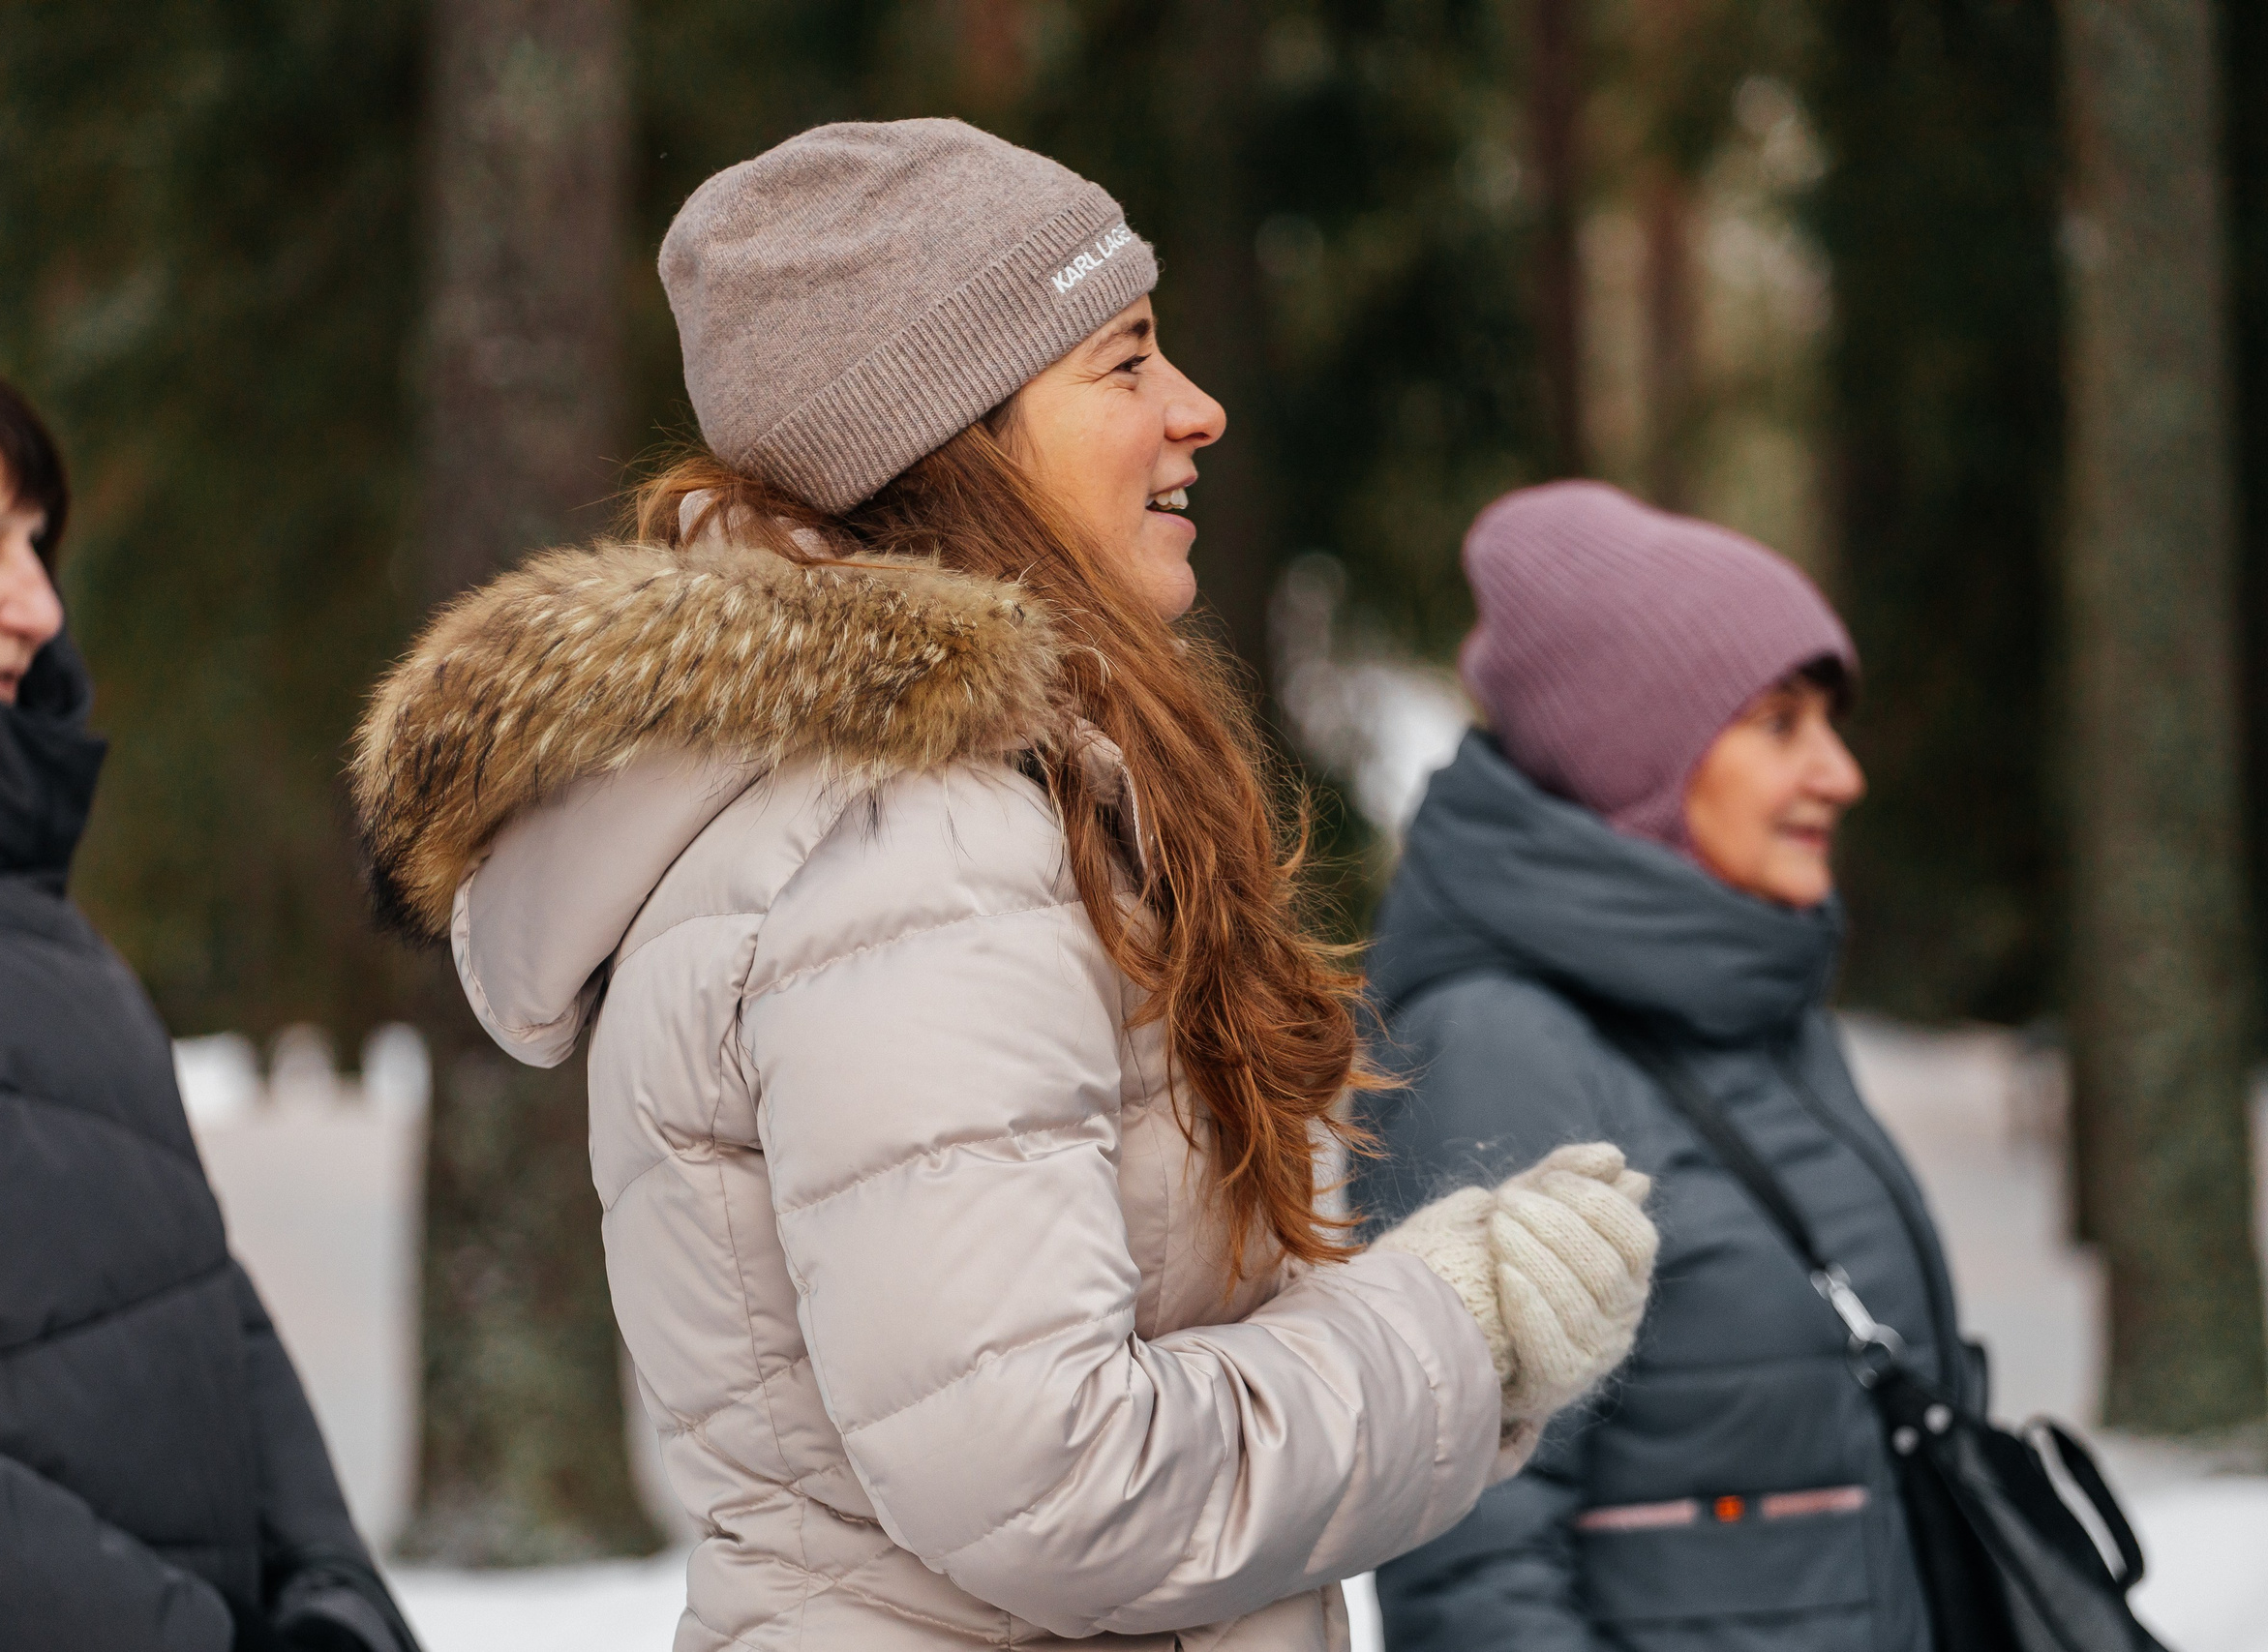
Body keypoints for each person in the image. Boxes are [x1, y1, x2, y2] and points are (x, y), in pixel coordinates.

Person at [350, 119, 1660, 1650]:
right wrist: (1456, 1327)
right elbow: (1053, 1477)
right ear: (952, 436)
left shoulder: (968, 808)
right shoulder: (916, 845)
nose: (1199, 407)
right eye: (1123, 360)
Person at [0, 328, 419, 1652]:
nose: (36, 605)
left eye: (35, 545)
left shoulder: (46, 929)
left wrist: (334, 1596)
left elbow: (199, 1293)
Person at [1358, 480, 1976, 1652]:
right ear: (1633, 749)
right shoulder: (1497, 1046)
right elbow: (1470, 1575)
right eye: (1780, 724)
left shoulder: (1759, 997)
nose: (1839, 773)